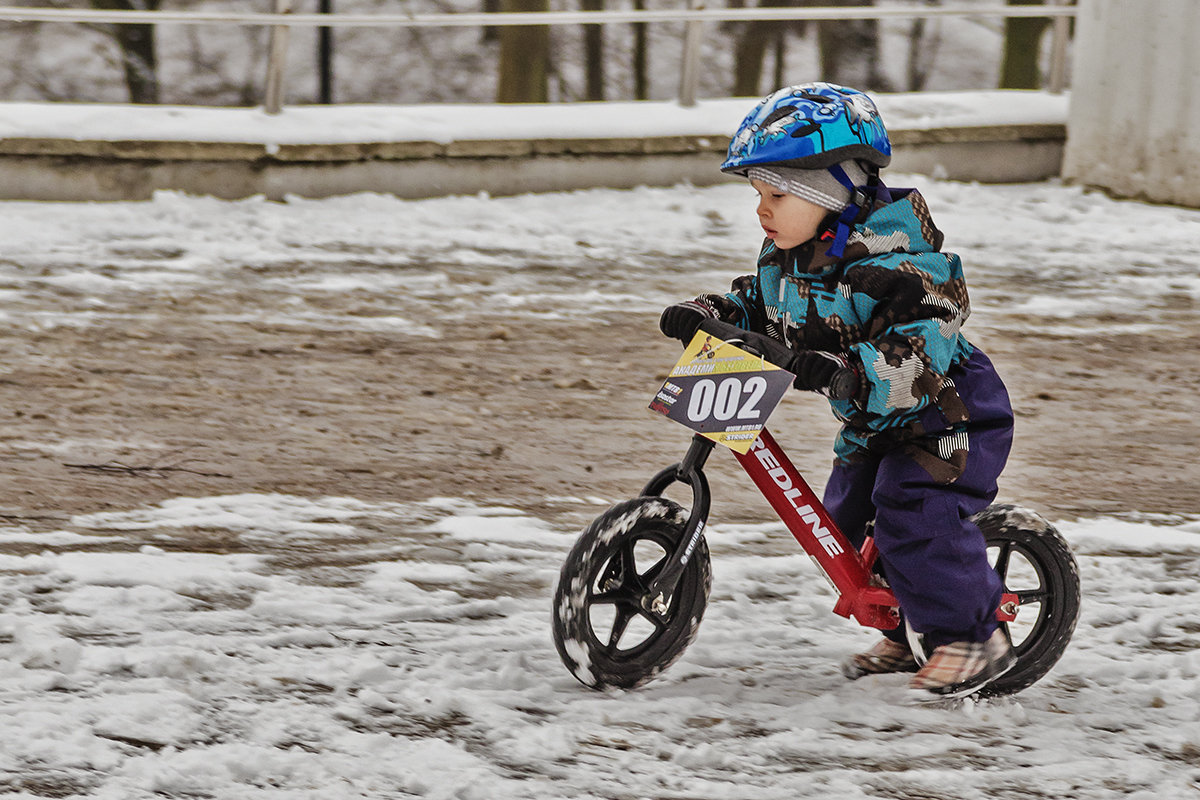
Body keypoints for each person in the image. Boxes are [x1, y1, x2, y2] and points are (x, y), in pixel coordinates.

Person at [658, 82, 1017, 700]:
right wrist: (709, 312)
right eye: (757, 194)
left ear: (833, 193)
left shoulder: (903, 266)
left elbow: (922, 346)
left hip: (945, 415)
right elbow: (760, 306)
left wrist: (846, 372)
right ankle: (911, 629)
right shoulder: (789, 256)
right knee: (846, 523)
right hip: (874, 423)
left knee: (912, 515)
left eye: (776, 193)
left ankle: (975, 636)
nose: (762, 210)